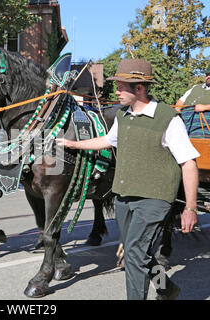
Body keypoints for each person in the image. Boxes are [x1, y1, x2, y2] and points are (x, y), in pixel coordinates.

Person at [56, 59, 199, 300]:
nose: (117, 91)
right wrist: (73, 143)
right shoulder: (123, 116)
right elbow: (106, 141)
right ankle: (167, 289)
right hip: (124, 197)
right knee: (140, 252)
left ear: (140, 88)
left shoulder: (168, 118)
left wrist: (190, 208)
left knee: (133, 253)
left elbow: (189, 164)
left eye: (122, 86)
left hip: (155, 198)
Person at [175, 65, 210, 137]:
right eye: (207, 74)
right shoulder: (195, 87)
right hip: (185, 126)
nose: (208, 76)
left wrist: (205, 107)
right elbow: (180, 102)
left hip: (203, 130)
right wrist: (176, 114)